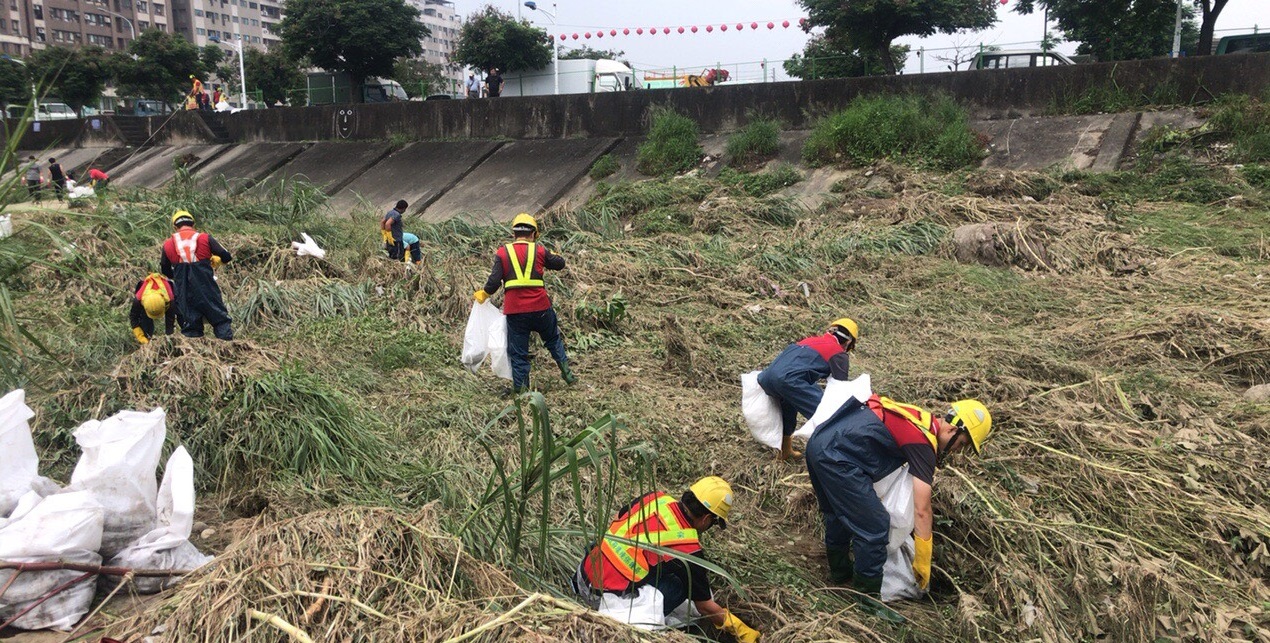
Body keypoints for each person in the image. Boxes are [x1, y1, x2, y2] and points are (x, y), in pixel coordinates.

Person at [806, 394, 992, 617]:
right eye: (961, 444)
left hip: (819, 443)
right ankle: (868, 600)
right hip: (838, 459)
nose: (957, 451)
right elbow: (922, 510)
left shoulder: (918, 418)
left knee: (837, 513)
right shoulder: (923, 442)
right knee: (875, 526)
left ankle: (840, 574)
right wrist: (923, 559)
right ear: (952, 430)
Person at [573, 476, 761, 641]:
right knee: (680, 585)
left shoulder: (654, 498)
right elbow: (705, 607)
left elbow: (618, 517)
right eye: (714, 522)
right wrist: (741, 630)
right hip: (604, 601)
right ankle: (638, 620)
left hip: (584, 574)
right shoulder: (688, 549)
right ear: (705, 518)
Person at [475, 213, 575, 393]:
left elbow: (494, 281)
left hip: (516, 311)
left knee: (518, 352)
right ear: (534, 234)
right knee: (553, 339)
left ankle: (522, 390)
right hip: (541, 308)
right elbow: (560, 264)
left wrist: (484, 293)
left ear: (514, 234)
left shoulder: (503, 252)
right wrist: (554, 255)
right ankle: (567, 374)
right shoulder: (540, 250)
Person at [756, 319, 859, 461]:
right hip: (790, 380)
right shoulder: (838, 353)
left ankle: (785, 451)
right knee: (827, 416)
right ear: (848, 342)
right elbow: (840, 389)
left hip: (766, 378)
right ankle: (833, 457)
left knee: (788, 407)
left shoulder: (810, 340)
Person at [160, 210, 234, 340]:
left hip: (184, 291)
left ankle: (196, 351)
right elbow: (227, 256)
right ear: (193, 224)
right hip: (207, 288)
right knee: (220, 320)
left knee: (191, 327)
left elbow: (165, 270)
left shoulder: (168, 245)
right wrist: (217, 260)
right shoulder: (204, 238)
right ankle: (227, 348)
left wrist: (179, 278)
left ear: (175, 227)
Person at [129, 273, 178, 344]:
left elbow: (170, 319)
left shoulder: (170, 298)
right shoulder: (138, 299)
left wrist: (169, 339)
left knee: (180, 313)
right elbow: (133, 317)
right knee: (144, 321)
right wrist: (140, 337)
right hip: (146, 297)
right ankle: (146, 340)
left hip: (165, 295)